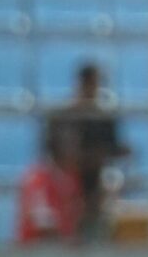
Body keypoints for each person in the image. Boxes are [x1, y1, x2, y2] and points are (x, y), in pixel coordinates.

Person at [47, 62, 127, 238]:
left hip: (94, 186)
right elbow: (50, 151)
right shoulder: (62, 117)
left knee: (92, 230)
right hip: (64, 186)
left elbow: (113, 149)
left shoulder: (103, 118)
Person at [15, 120, 84, 244]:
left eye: (77, 143)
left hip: (64, 254)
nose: (77, 150)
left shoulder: (72, 178)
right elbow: (43, 225)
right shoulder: (37, 179)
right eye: (70, 144)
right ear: (55, 146)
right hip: (34, 253)